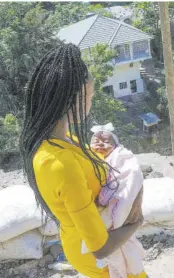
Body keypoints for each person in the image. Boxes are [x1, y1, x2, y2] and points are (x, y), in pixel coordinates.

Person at [19, 43, 146, 278]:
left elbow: (87, 170)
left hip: (80, 238)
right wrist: (136, 221)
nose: (91, 102)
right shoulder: (59, 163)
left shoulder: (65, 139)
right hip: (92, 253)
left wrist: (104, 152)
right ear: (71, 100)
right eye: (90, 95)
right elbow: (101, 248)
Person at [85, 123, 146, 277]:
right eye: (95, 140)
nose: (100, 143)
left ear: (116, 145)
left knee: (122, 243)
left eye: (106, 141)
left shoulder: (121, 158)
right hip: (95, 216)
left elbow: (131, 176)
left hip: (119, 215)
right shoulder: (86, 161)